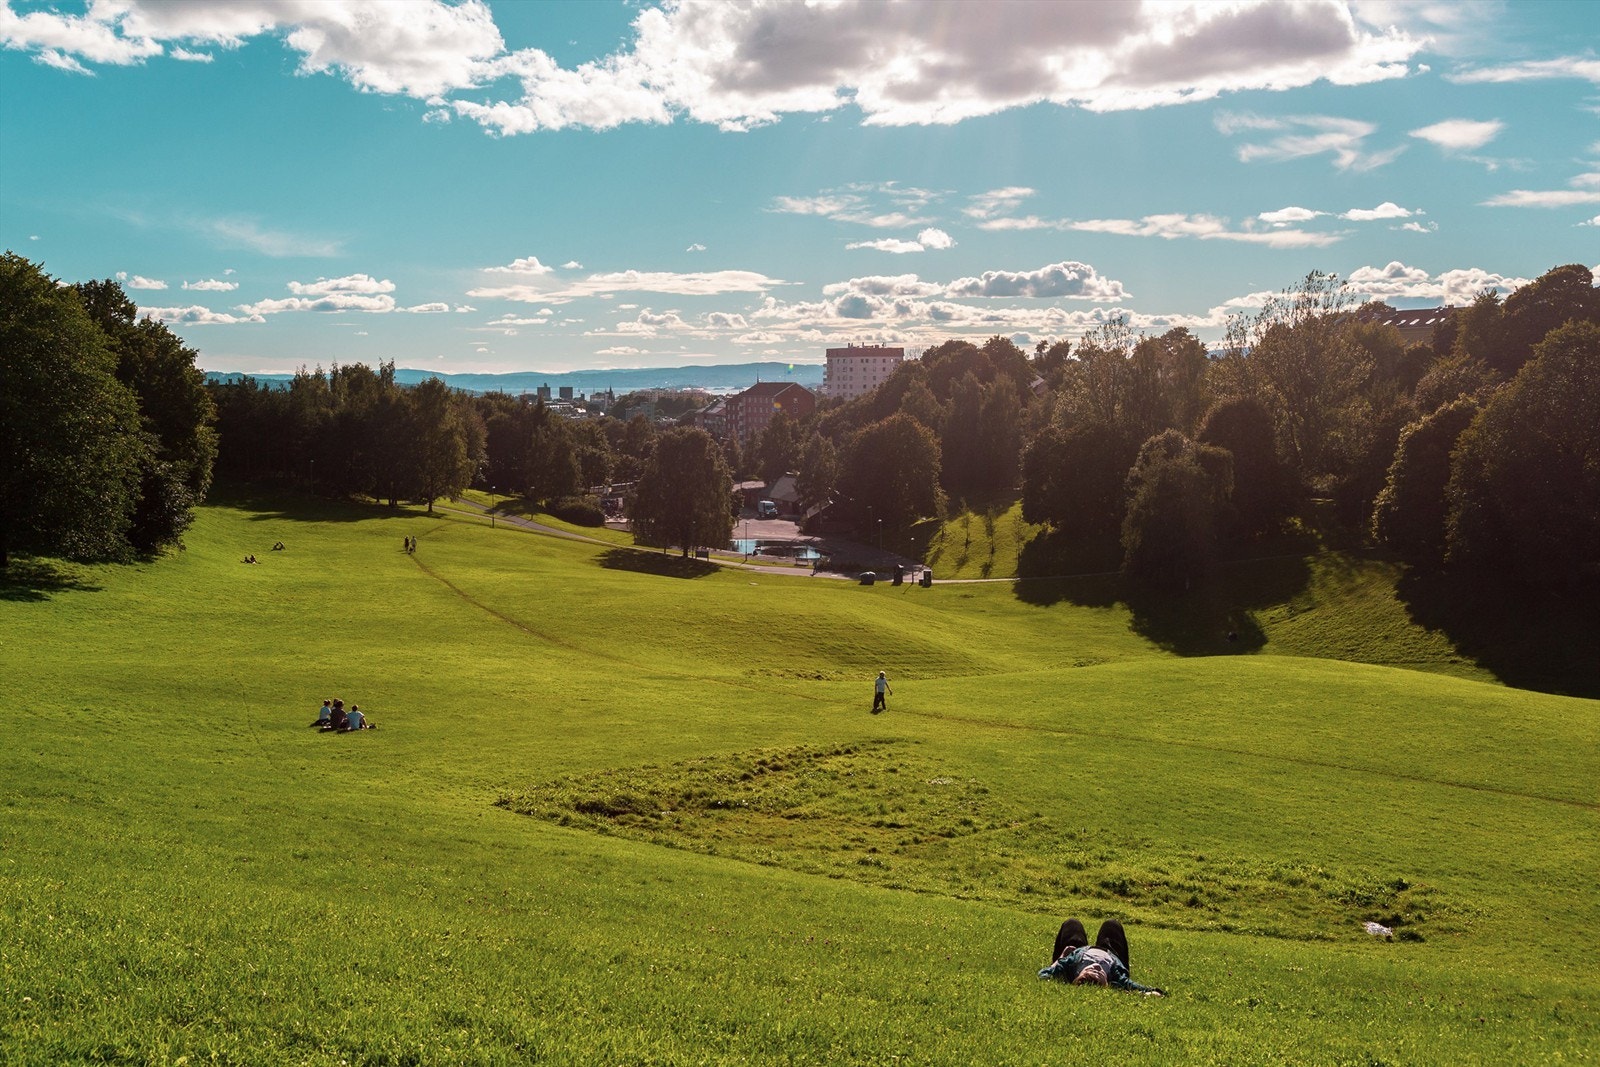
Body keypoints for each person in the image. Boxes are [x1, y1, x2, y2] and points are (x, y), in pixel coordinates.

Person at [1039, 918, 1164, 995]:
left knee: (1072, 923)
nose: (1096, 967)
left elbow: (1043, 975)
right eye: (1099, 972)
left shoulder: (1071, 964)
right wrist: (1152, 992)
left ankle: (1066, 953)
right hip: (1111, 952)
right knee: (1112, 924)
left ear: (1079, 974)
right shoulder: (1115, 976)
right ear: (1107, 982)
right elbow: (1136, 987)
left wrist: (1061, 958)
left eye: (1090, 971)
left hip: (1077, 950)